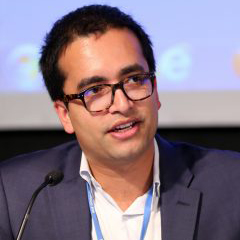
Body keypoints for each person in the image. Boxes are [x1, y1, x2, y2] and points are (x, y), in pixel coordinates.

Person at [0, 4, 240, 240]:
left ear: (155, 91)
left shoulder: (231, 183)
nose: (123, 105)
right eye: (95, 90)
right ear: (65, 114)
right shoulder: (16, 195)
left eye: (134, 79)